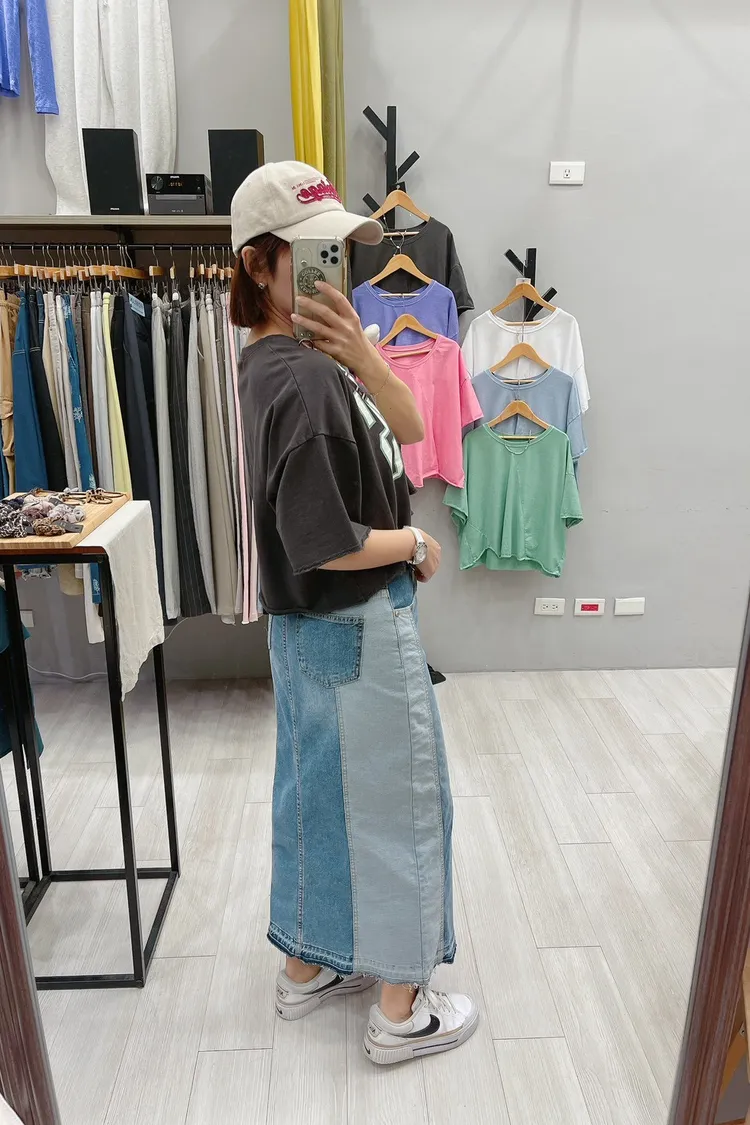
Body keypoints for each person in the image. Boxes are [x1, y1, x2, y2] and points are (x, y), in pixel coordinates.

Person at [230, 161, 478, 1065]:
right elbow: (324, 541)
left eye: (336, 250)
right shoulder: (304, 380)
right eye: (310, 253)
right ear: (259, 264)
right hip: (360, 619)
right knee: (402, 807)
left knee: (317, 799)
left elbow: (410, 429)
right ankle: (402, 1011)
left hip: (307, 631)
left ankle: (307, 966)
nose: (331, 269)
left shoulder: (287, 362)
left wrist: (364, 355)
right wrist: (411, 544)